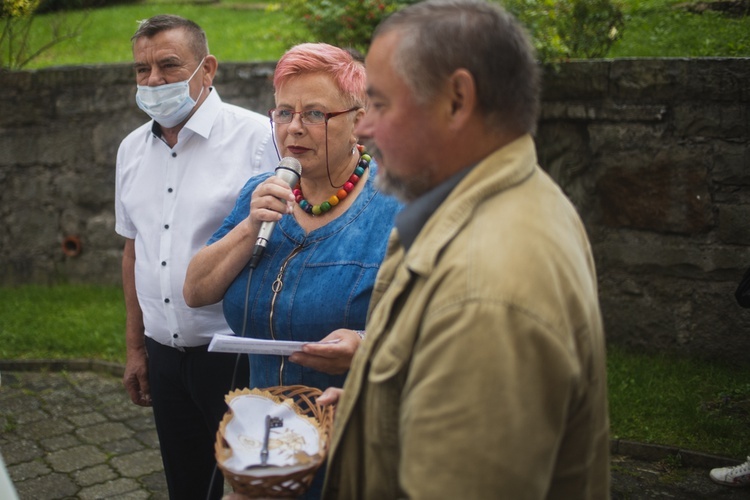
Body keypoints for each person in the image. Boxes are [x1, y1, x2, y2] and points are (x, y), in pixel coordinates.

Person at [317, 1, 611, 499]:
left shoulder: (485, 293)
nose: (363, 128)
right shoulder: (513, 195)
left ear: (457, 100)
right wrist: (377, 415)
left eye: (381, 104)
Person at [183, 42, 401, 497]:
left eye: (315, 114)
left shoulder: (397, 207)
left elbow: (435, 328)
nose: (294, 129)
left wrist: (366, 345)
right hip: (262, 451)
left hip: (353, 444)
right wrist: (250, 226)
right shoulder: (260, 193)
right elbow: (196, 290)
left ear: (359, 119)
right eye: (283, 113)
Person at [115, 14, 278, 500]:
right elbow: (133, 250)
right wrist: (136, 348)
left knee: (252, 486)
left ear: (207, 69)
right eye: (142, 70)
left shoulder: (257, 138)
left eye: (168, 65)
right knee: (184, 484)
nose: (154, 81)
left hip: (234, 355)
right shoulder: (130, 150)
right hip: (164, 356)